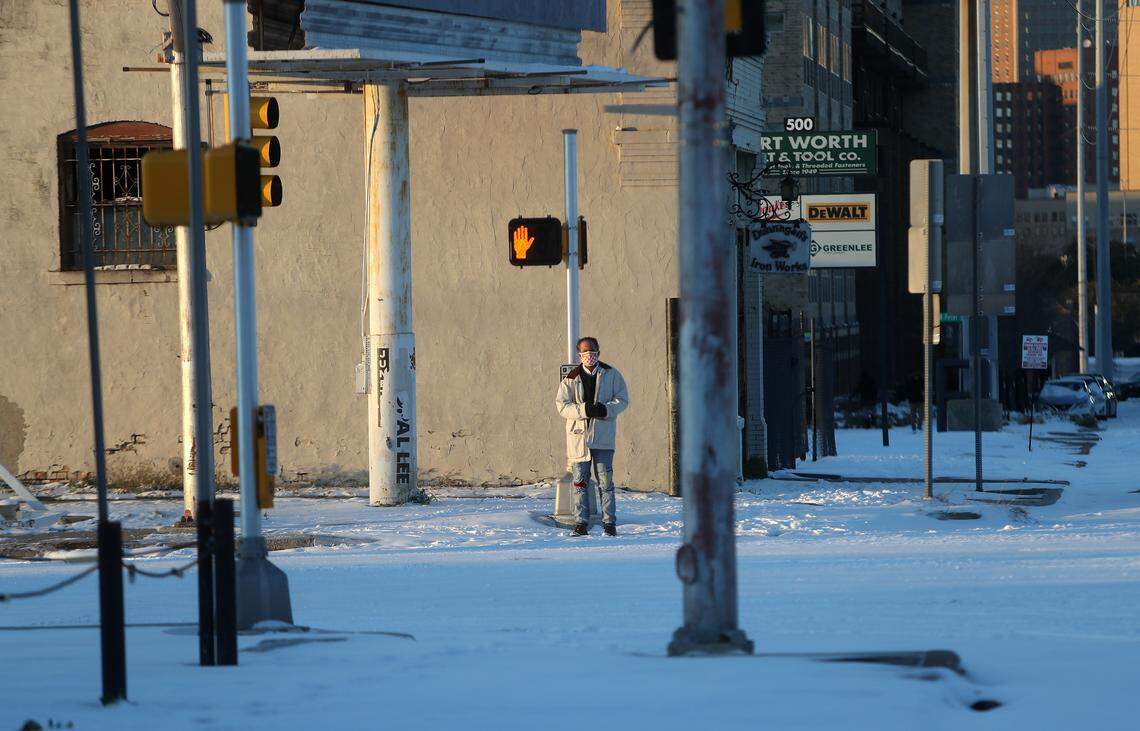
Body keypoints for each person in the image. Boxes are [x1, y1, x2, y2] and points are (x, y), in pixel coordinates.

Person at [555, 336, 629, 537]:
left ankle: (609, 523)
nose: (590, 355)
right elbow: (562, 406)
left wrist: (605, 409)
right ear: (579, 355)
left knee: (606, 482)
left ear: (599, 351)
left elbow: (622, 399)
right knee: (580, 482)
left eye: (593, 351)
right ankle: (581, 522)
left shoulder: (611, 374)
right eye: (585, 352)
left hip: (603, 439)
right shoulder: (570, 378)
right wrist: (584, 409)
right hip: (579, 440)